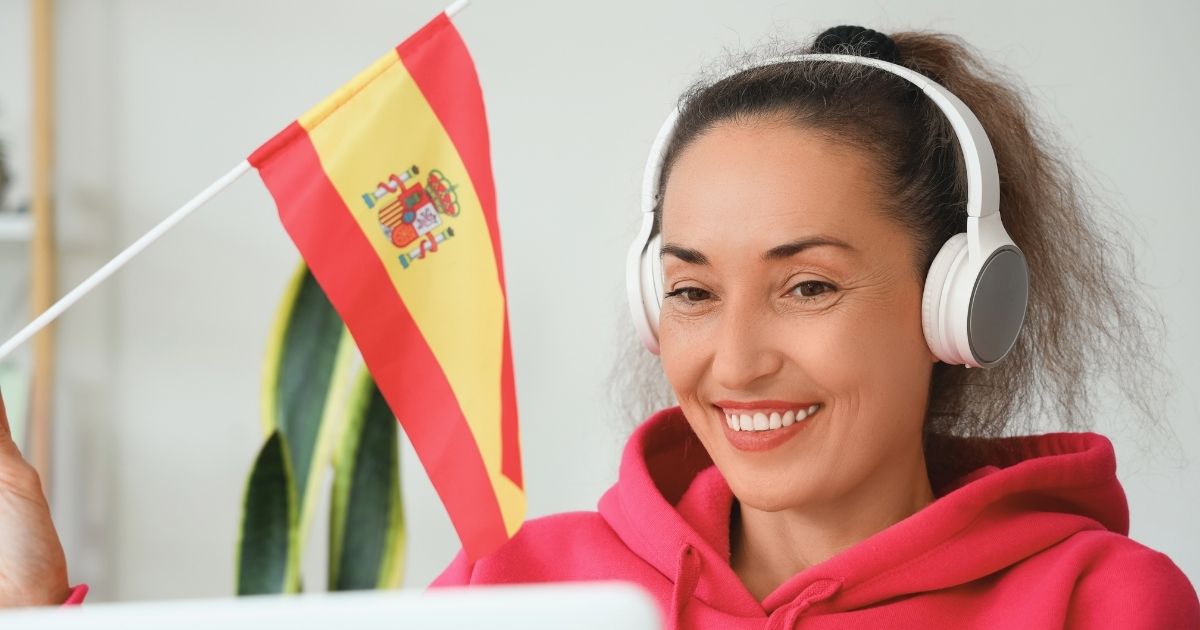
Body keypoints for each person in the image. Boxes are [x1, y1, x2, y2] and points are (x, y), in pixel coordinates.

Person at [0, 23, 1194, 629]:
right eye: (690, 289)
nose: (734, 359)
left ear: (958, 304)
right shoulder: (518, 589)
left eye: (808, 285)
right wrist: (29, 603)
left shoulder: (1105, 603)